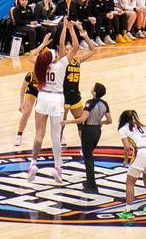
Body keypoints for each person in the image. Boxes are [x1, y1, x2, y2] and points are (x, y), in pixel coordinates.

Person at [26, 31, 67, 184]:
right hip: (56, 99)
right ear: (54, 58)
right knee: (55, 136)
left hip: (42, 97)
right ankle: (57, 168)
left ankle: (33, 164)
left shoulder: (40, 65)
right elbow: (65, 47)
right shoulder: (60, 66)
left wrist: (42, 44)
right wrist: (65, 28)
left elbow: (30, 56)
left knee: (39, 134)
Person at [116, 109, 146, 219]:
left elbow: (127, 147)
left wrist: (125, 160)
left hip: (142, 152)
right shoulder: (140, 126)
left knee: (129, 183)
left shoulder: (123, 129)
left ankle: (128, 211)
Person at [70, 82, 111, 193]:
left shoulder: (89, 103)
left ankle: (92, 186)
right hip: (97, 130)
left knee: (88, 158)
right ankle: (89, 181)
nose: (91, 88)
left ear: (95, 91)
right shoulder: (105, 104)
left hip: (88, 131)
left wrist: (67, 122)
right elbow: (109, 120)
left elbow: (82, 119)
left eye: (93, 87)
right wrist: (101, 122)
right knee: (89, 156)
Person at [14, 66, 38, 148]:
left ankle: (60, 135)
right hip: (31, 92)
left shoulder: (46, 74)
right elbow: (23, 88)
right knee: (26, 113)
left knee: (40, 115)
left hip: (42, 93)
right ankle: (19, 135)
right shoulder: (30, 75)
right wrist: (21, 103)